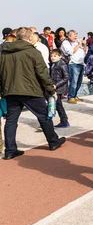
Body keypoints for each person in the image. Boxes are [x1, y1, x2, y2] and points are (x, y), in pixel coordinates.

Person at [0, 27, 66, 160]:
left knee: (11, 120)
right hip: (30, 90)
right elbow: (42, 73)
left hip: (11, 90)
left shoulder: (4, 52)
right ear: (30, 38)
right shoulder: (32, 52)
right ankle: (53, 141)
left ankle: (10, 149)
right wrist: (51, 90)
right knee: (44, 115)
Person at [60, 30, 88, 104]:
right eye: (74, 35)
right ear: (69, 36)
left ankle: (75, 95)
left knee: (79, 81)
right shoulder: (66, 43)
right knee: (73, 81)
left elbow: (85, 51)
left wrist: (84, 45)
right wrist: (79, 45)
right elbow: (71, 52)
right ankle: (71, 96)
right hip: (73, 64)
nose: (76, 36)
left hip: (81, 63)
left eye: (76, 35)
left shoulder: (76, 42)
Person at [49, 49, 70, 127]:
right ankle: (63, 120)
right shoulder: (53, 64)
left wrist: (56, 85)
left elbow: (66, 77)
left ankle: (64, 121)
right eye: (51, 56)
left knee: (57, 104)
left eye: (55, 56)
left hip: (59, 88)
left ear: (60, 56)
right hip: (54, 87)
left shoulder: (62, 65)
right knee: (56, 104)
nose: (52, 57)